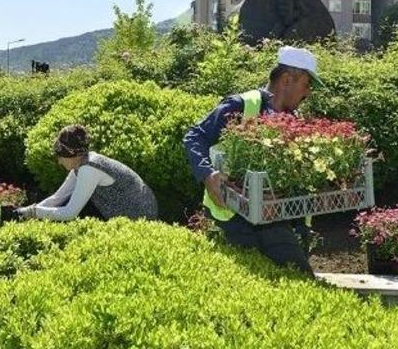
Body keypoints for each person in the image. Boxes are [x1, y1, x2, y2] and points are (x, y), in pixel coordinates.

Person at [183, 46, 324, 274]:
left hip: (276, 221)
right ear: (287, 80)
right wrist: (208, 175)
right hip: (232, 219)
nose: (308, 93)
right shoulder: (242, 105)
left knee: (297, 279)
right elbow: (195, 136)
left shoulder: (294, 120)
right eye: (306, 85)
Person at [17, 125, 158, 221]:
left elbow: (70, 213)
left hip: (139, 217)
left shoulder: (89, 169)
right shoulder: (82, 163)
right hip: (131, 212)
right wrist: (26, 212)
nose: (59, 162)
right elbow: (57, 198)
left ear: (71, 155)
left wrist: (34, 212)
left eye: (60, 157)